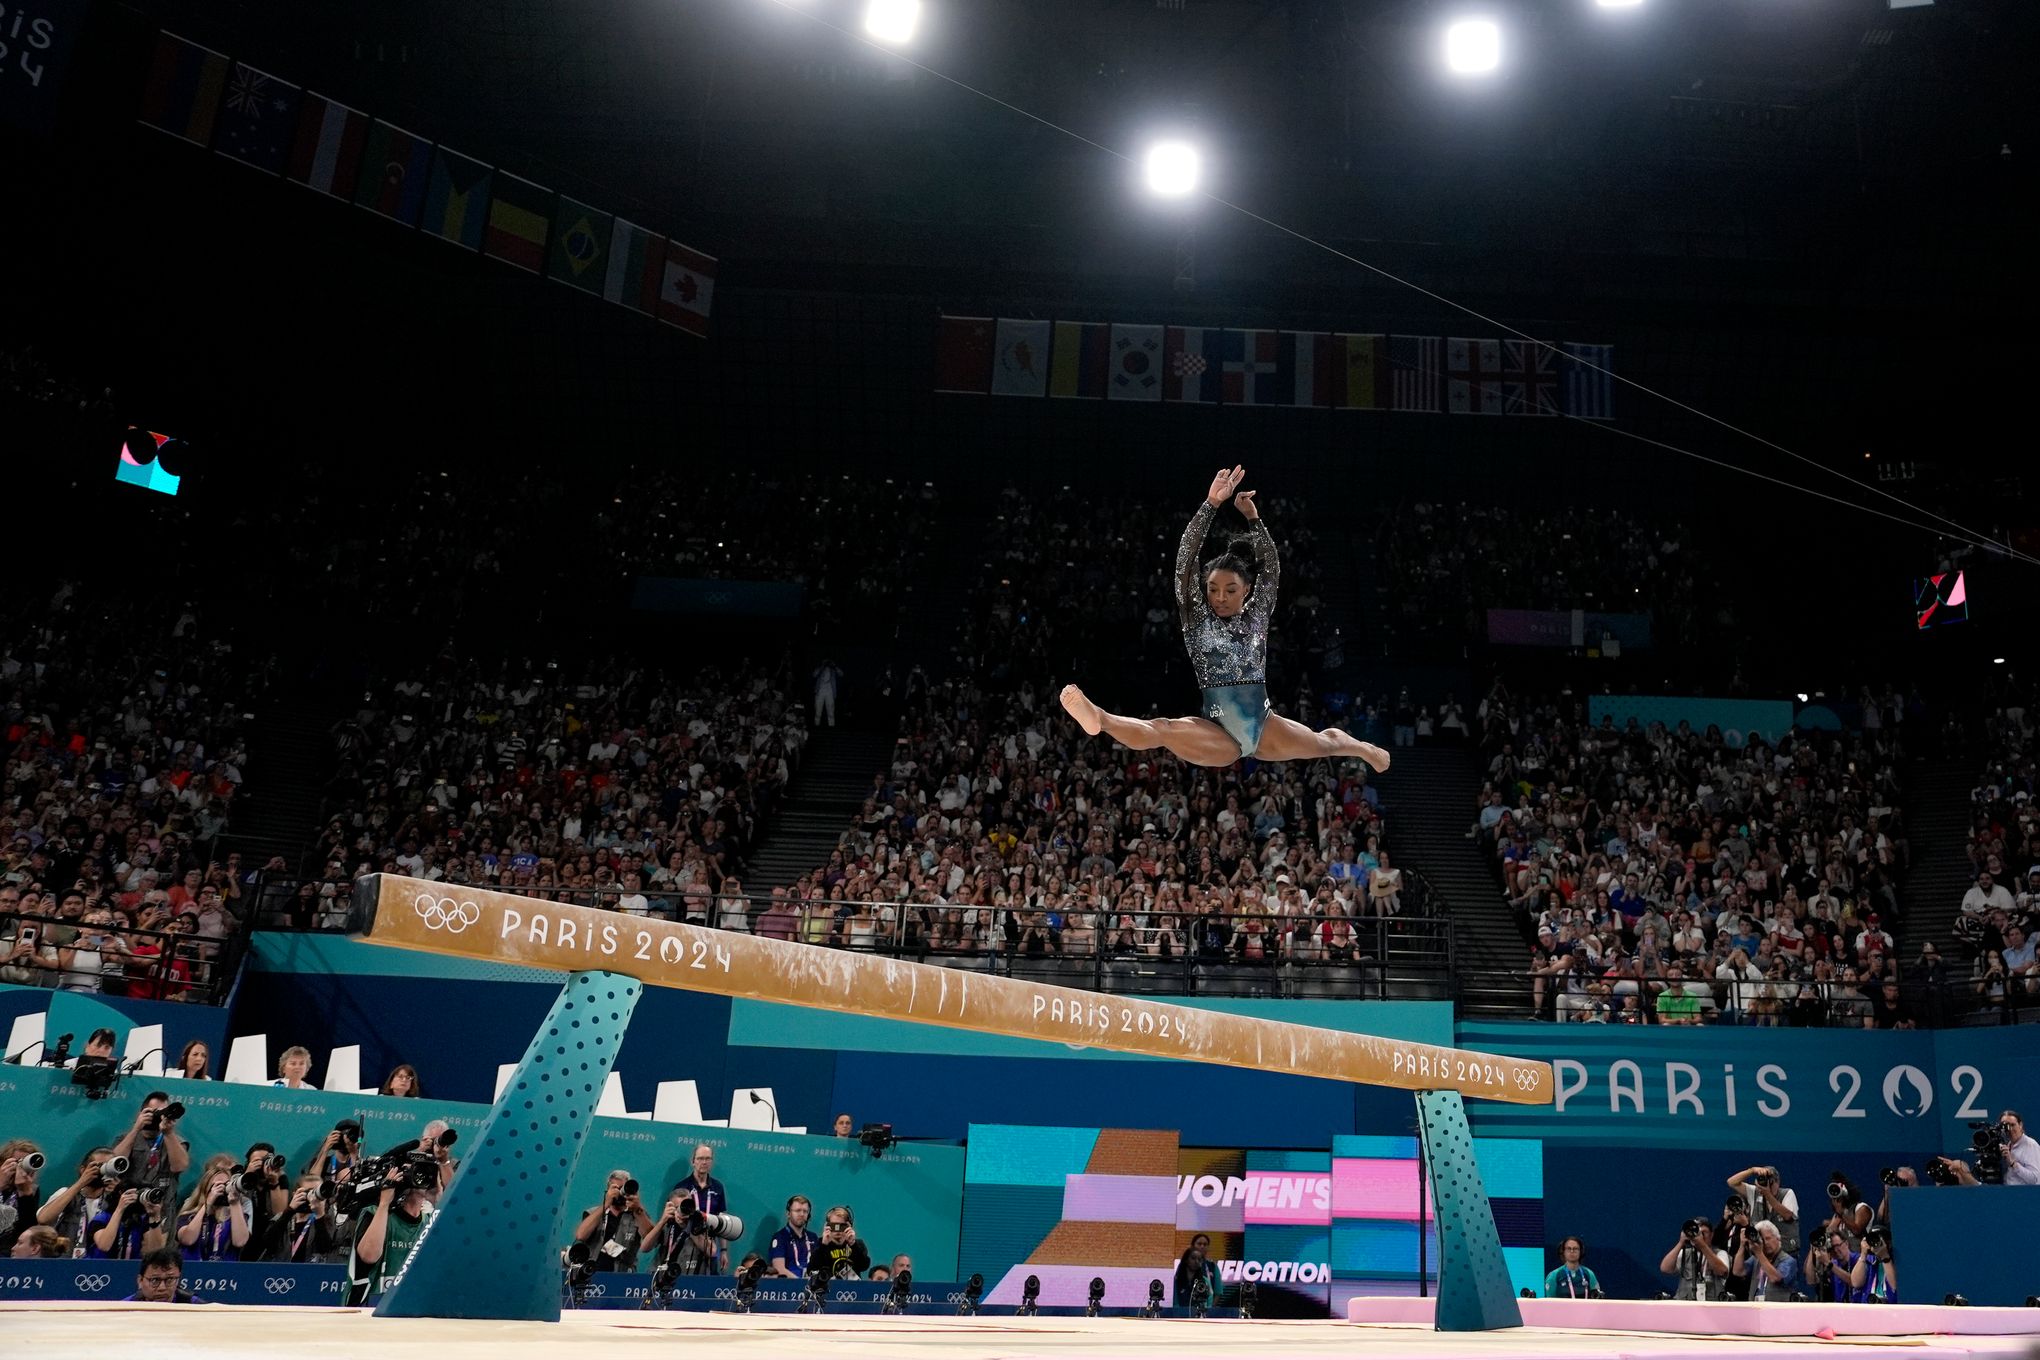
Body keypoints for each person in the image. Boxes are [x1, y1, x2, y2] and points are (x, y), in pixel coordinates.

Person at [1060, 467, 1392, 773]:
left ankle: (1362, 748)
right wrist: (1210, 504)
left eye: (1230, 590)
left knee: (1327, 743)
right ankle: (1099, 718)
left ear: (1246, 590)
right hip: (1217, 732)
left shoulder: (1258, 613)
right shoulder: (1196, 618)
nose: (1220, 597)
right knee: (1164, 729)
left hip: (1264, 726)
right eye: (1213, 589)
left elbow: (1271, 568)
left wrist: (1254, 519)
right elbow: (1185, 562)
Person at [349, 1159, 435, 1304]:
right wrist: (384, 1203)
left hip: (411, 1306)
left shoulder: (429, 1222)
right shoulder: (373, 1213)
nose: (419, 1177)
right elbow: (369, 1256)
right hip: (370, 1307)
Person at [572, 1169, 653, 1272]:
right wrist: (606, 1204)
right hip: (591, 1271)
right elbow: (581, 1236)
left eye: (623, 1188)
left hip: (622, 1274)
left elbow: (651, 1241)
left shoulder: (638, 1215)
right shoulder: (593, 1212)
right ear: (608, 1190)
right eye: (616, 1188)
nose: (620, 1193)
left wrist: (638, 1209)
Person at [173, 1159, 250, 1263]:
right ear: (206, 1189)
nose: (222, 1189)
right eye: (217, 1185)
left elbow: (240, 1242)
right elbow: (188, 1239)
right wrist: (208, 1202)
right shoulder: (189, 1216)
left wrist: (235, 1203)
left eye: (226, 1184)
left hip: (226, 1275)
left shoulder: (236, 1217)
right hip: (193, 1272)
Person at [1936, 1110, 2040, 1185]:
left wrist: (2013, 1163)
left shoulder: (2030, 1145)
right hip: (2008, 1194)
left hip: (2026, 1197)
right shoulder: (2005, 1146)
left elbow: (2035, 1179)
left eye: (2012, 1125)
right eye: (2005, 1126)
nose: (2009, 1129)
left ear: (2020, 1125)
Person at [1726, 1164, 1801, 1255]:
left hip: (1785, 1252)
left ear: (1778, 1182)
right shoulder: (1754, 1192)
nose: (1767, 1186)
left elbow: (1787, 1215)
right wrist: (1752, 1170)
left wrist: (1767, 1194)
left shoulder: (1787, 1193)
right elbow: (1731, 1182)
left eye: (1770, 1183)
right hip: (1760, 1252)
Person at [1732, 1220, 1801, 1302]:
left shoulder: (1788, 1260)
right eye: (1761, 1239)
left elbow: (1775, 1278)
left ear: (1778, 1238)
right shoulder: (1756, 1259)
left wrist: (1759, 1253)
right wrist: (1742, 1245)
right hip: (1756, 1307)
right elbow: (1737, 1271)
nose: (1765, 1243)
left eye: (1768, 1238)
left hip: (1778, 1310)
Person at [1659, 1218, 1728, 1300]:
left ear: (1711, 1234)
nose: (1700, 1236)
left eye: (1704, 1233)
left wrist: (1702, 1245)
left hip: (1710, 1306)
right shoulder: (1685, 1253)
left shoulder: (1720, 1254)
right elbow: (1665, 1268)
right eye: (1697, 1232)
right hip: (1685, 1304)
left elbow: (1721, 1271)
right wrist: (1681, 1243)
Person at [125, 1245, 202, 1303]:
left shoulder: (195, 1307)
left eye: (170, 1279)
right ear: (140, 1280)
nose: (162, 1288)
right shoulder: (126, 1308)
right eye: (155, 1280)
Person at [813, 1204, 870, 1280]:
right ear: (827, 1226)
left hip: (853, 1289)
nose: (837, 1230)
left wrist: (853, 1245)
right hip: (828, 1287)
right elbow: (813, 1267)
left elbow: (864, 1266)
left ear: (849, 1226)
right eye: (834, 1226)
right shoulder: (820, 1244)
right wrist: (824, 1245)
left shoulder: (858, 1244)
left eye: (841, 1226)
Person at [768, 1194, 818, 1278]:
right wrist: (801, 1283)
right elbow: (779, 1269)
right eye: (798, 1210)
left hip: (812, 1285)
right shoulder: (780, 1238)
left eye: (805, 1211)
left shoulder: (813, 1237)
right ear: (788, 1213)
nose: (802, 1214)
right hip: (789, 1287)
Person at [1174, 1233, 1221, 1306]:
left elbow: (1216, 1294)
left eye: (1205, 1244)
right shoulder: (1178, 1277)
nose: (1202, 1246)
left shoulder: (1212, 1267)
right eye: (1199, 1244)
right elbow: (1175, 1301)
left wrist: (1209, 1311)